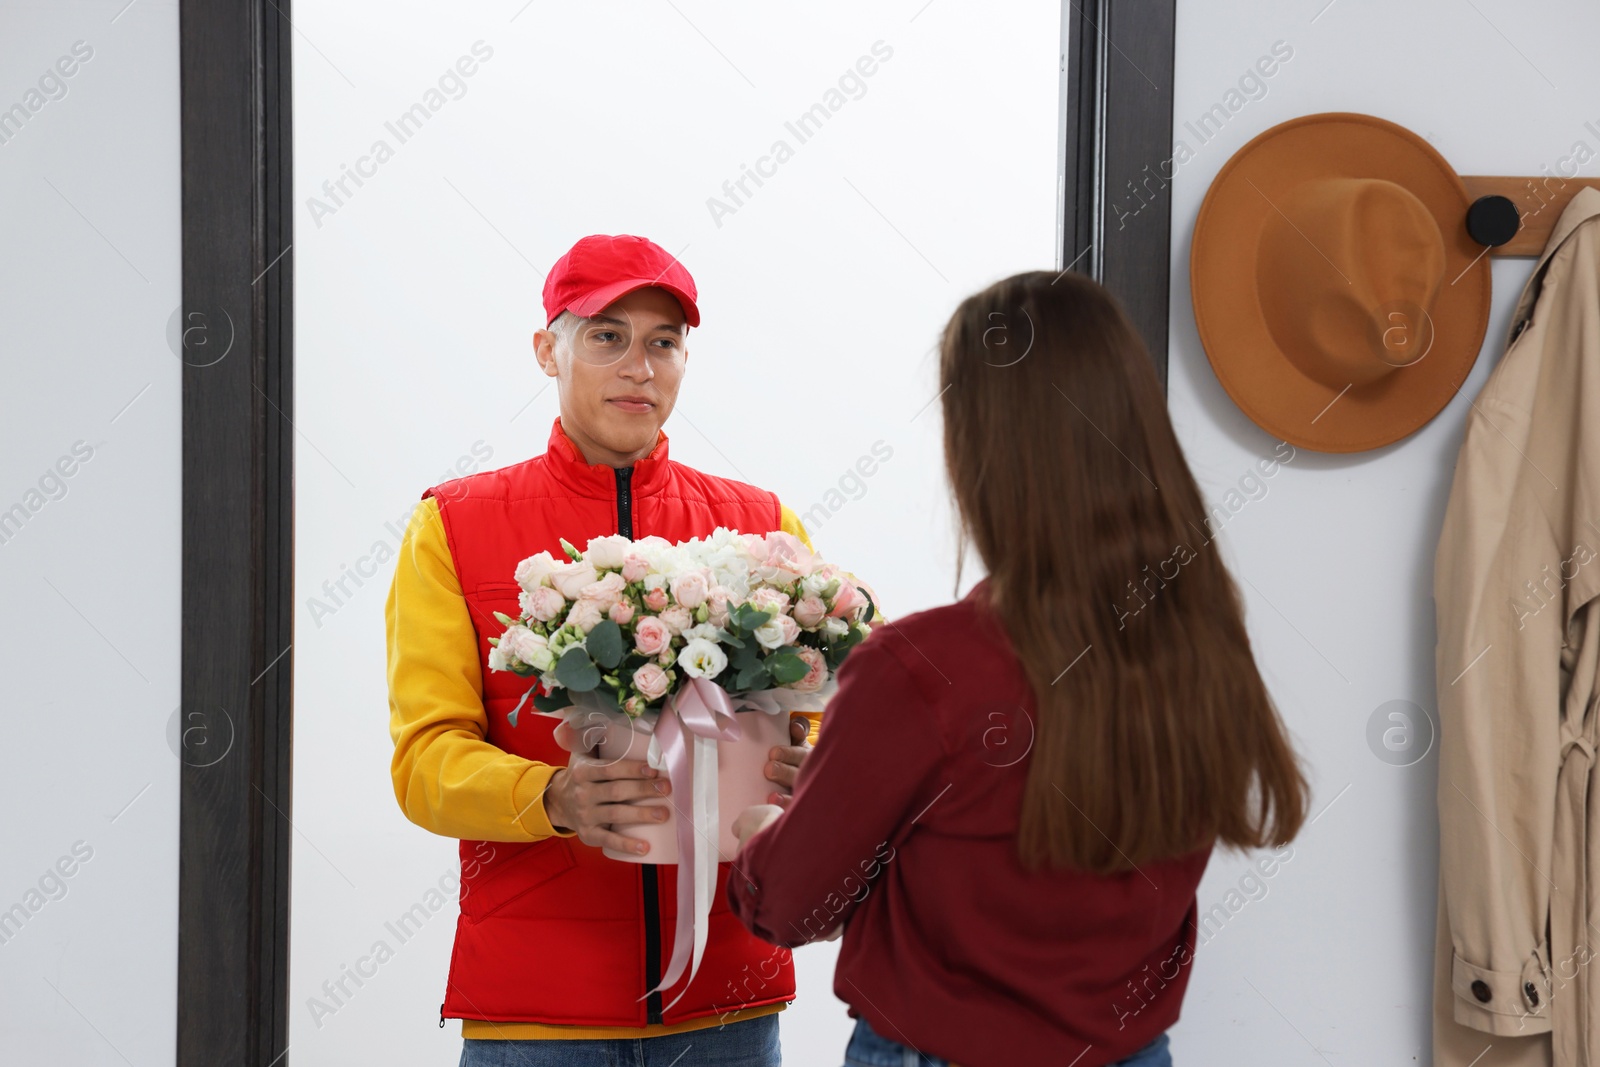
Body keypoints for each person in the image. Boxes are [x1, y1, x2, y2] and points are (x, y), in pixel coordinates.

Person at [728, 269, 1311, 1067]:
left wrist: (772, 835)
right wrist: (859, 801)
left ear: (982, 448)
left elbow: (791, 905)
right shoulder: (1202, 637)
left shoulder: (923, 665)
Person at [385, 233, 879, 1065]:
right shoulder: (454, 523)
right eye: (608, 336)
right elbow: (424, 761)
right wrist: (552, 796)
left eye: (663, 342)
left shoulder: (765, 529)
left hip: (728, 1002)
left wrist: (816, 764)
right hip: (541, 1010)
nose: (639, 366)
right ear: (549, 349)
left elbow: (830, 718)